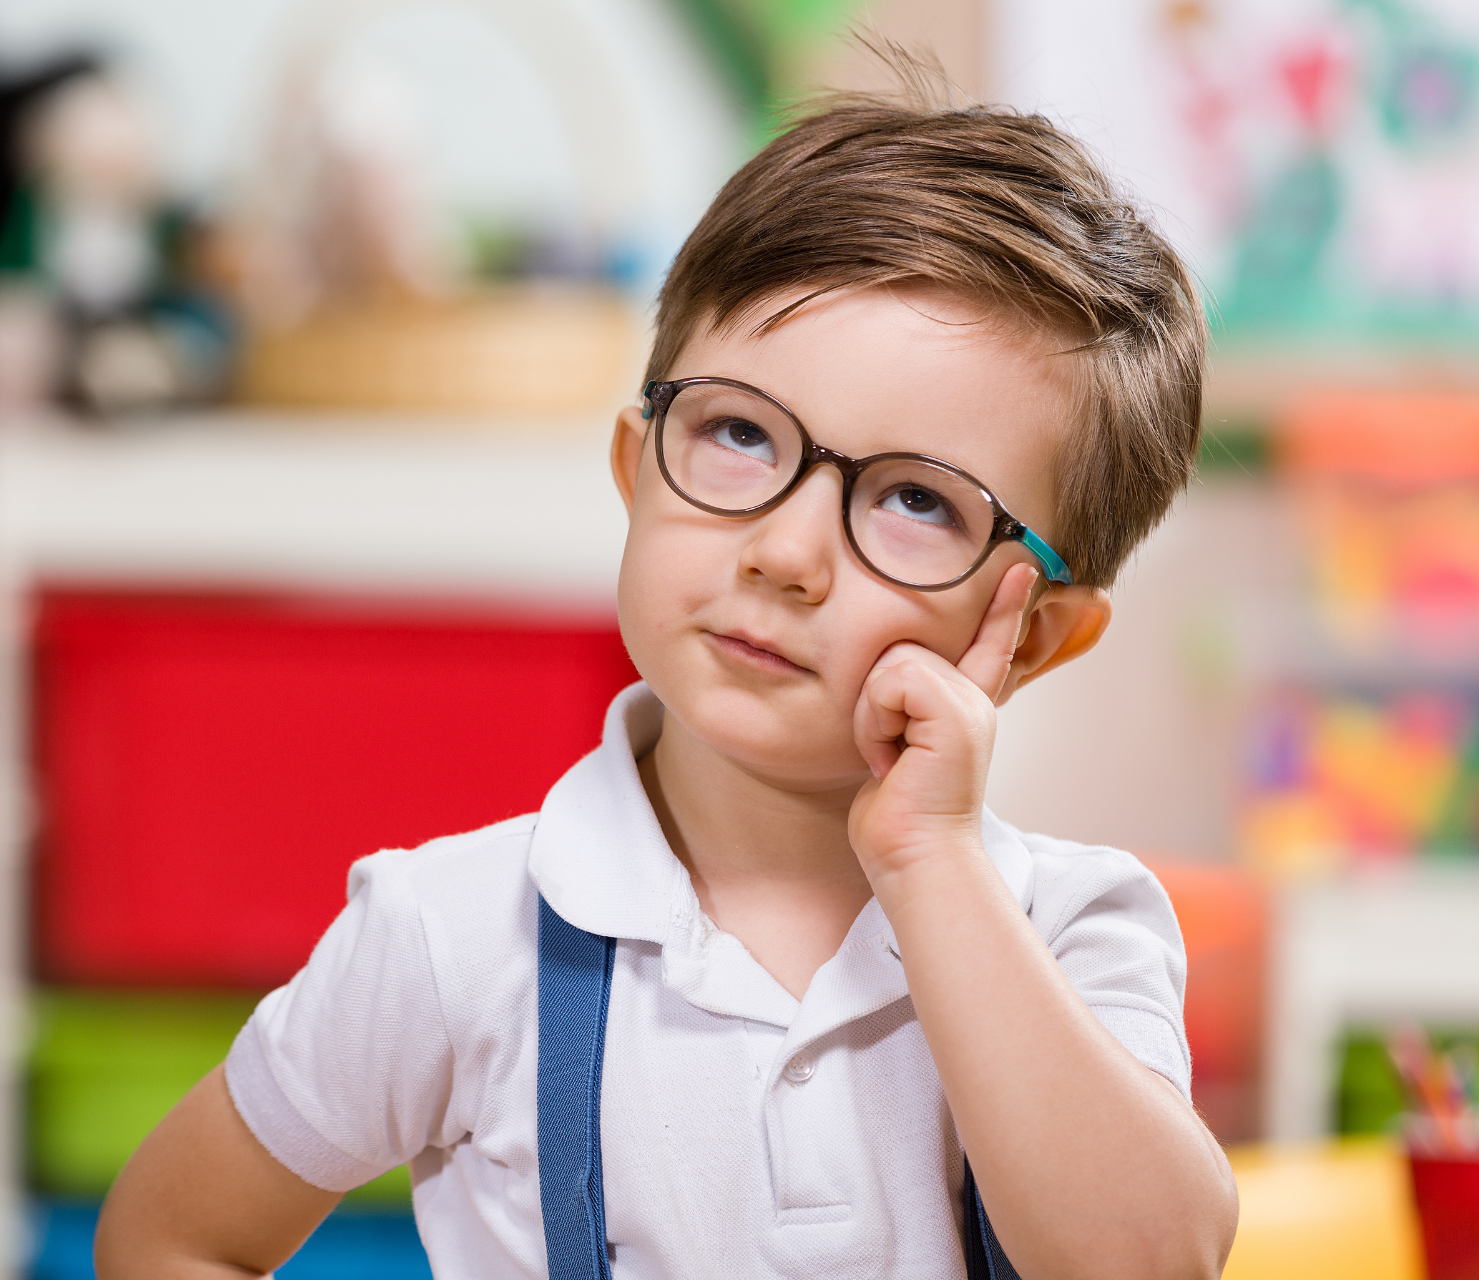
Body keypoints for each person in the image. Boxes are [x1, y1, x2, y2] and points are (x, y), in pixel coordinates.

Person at [97, 85, 1240, 1280]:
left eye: (916, 500)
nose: (787, 553)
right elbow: (172, 1236)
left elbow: (1150, 1262)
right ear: (639, 469)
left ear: (1039, 634)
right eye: (741, 433)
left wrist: (934, 860)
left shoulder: (1069, 930)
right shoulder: (453, 932)